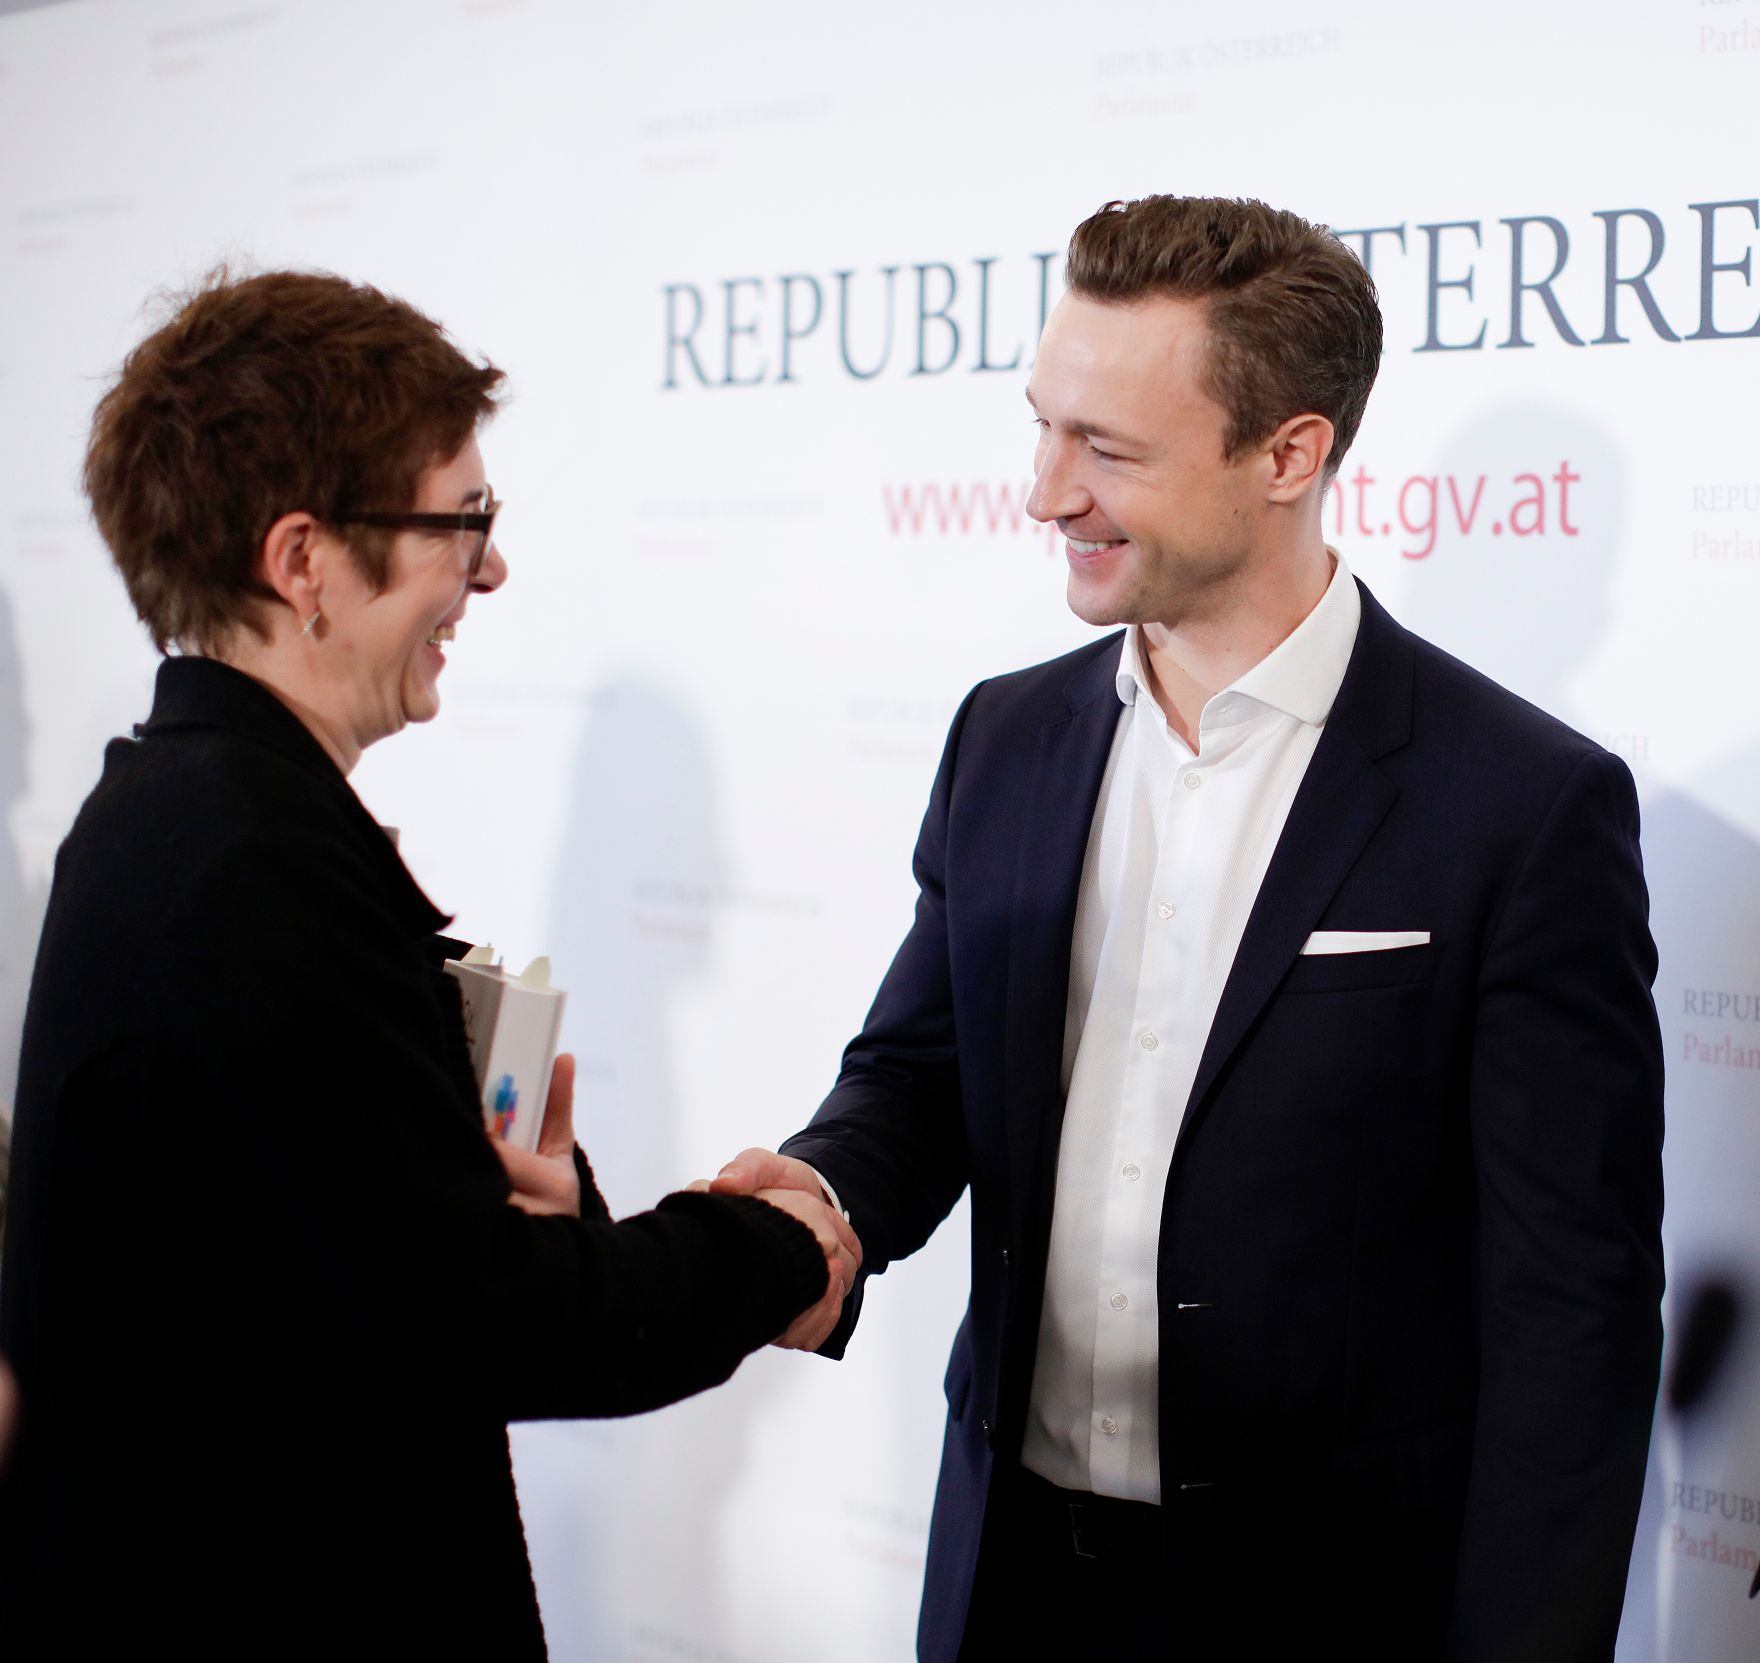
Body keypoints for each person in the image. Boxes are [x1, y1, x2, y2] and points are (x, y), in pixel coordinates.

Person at [710, 197, 1664, 1661]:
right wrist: (824, 1198)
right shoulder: (1006, 736)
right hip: (1011, 1583)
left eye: (1107, 451)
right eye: (1044, 429)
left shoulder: (1522, 809)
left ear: (1289, 454)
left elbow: (1572, 1319)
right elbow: (919, 1077)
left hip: (1333, 1611)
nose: (1044, 494)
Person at [0, 269, 858, 1660]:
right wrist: (772, 1249)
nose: (492, 568)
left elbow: (366, 1270)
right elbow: (482, 1325)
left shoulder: (189, 815)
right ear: (304, 563)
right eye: (464, 522)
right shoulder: (245, 859)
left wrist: (516, 1210)